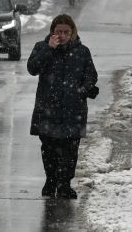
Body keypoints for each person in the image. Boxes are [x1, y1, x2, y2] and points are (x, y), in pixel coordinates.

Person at [27, 14, 99, 199]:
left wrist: (82, 90)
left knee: (70, 149)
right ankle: (51, 180)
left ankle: (65, 183)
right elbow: (33, 68)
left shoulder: (82, 52)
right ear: (52, 32)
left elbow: (91, 76)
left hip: (73, 109)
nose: (63, 35)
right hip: (47, 108)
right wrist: (48, 49)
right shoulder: (41, 47)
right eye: (58, 32)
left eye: (66, 32)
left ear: (73, 32)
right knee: (49, 147)